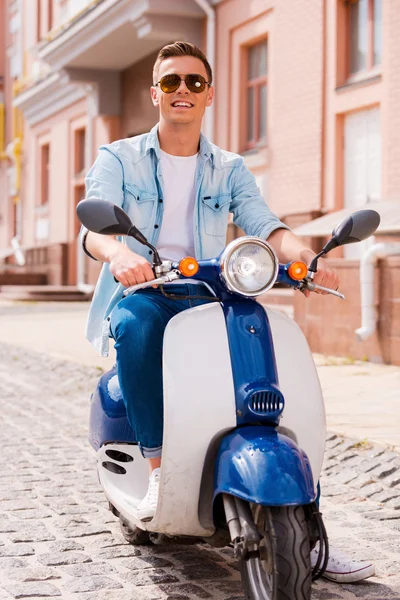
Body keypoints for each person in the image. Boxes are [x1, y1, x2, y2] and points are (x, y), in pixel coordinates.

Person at [82, 41, 374, 584]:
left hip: (212, 289)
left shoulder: (229, 167)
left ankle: (305, 526)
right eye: (171, 82)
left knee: (258, 347)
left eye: (194, 82)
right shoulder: (118, 158)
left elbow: (265, 224)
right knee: (135, 327)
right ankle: (159, 469)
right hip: (149, 288)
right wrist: (120, 254)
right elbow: (96, 229)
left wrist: (306, 258)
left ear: (210, 93)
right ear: (155, 93)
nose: (183, 91)